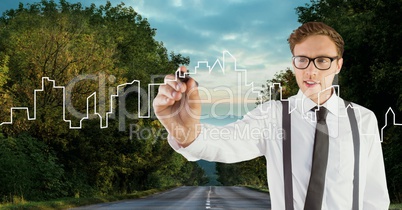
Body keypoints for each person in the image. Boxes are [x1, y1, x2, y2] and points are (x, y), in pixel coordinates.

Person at [153, 22, 390, 210]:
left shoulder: (363, 119)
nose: (311, 70)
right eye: (302, 60)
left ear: (338, 65)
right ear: (293, 63)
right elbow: (225, 142)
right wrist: (182, 129)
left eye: (322, 61)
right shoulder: (274, 115)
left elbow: (375, 198)